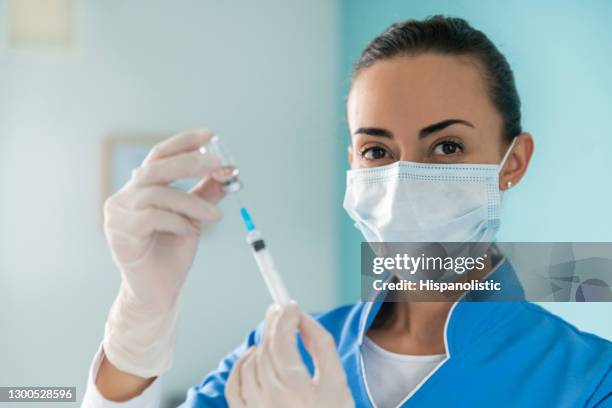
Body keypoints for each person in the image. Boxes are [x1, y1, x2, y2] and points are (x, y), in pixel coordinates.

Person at [83, 16, 612, 407]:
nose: (404, 180)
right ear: (353, 165)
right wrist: (137, 324)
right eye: (377, 152)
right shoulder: (284, 358)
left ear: (511, 162)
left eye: (446, 146)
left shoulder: (590, 380)